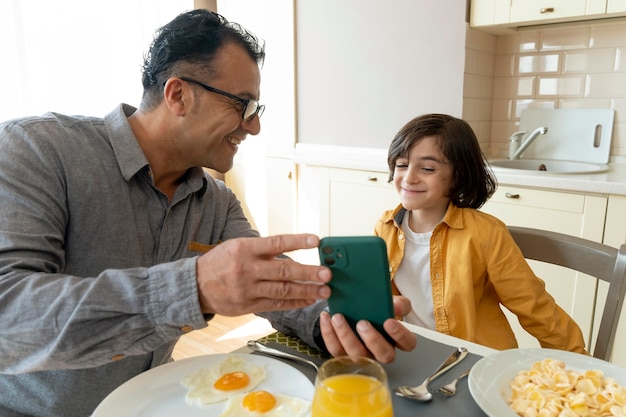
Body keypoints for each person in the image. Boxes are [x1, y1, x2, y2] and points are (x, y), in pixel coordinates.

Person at [0, 9, 415, 417]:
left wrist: (334, 322)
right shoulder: (35, 150)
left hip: (150, 403)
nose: (253, 127)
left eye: (256, 110)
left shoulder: (215, 200)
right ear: (178, 94)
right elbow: (8, 317)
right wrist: (192, 287)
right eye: (243, 105)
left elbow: (271, 281)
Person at [365, 113, 587, 353]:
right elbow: (378, 300)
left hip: (476, 360)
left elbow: (533, 305)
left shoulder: (486, 233)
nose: (409, 178)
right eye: (402, 165)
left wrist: (580, 362)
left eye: (427, 168)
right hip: (413, 352)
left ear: (457, 176)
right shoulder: (385, 227)